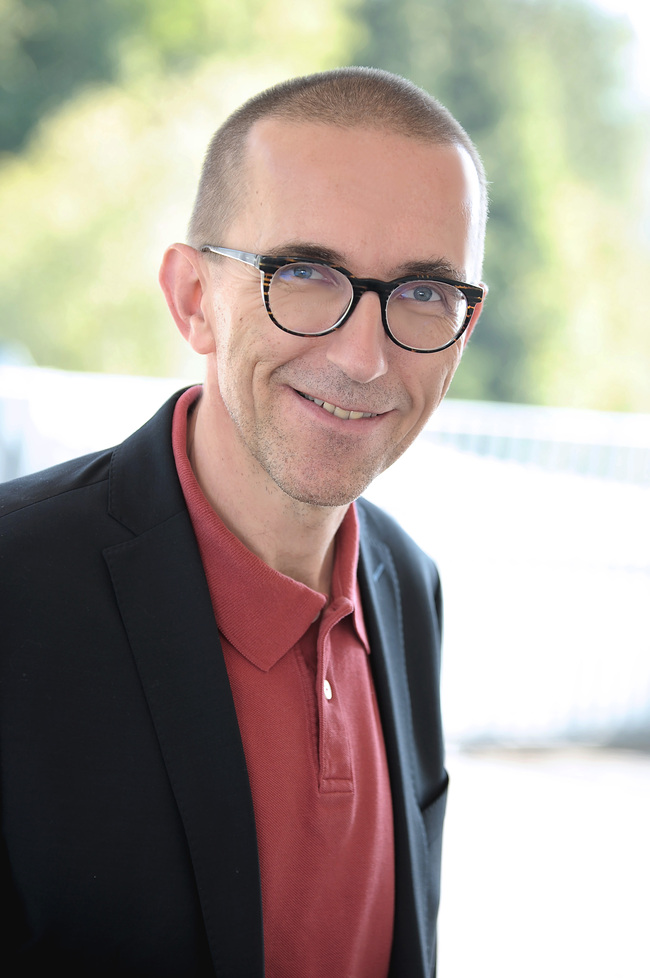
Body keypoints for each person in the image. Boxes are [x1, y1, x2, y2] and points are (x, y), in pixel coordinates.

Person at [0, 67, 487, 977]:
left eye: (426, 291)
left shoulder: (407, 585)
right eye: (303, 273)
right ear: (194, 299)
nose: (365, 358)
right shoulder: (15, 588)